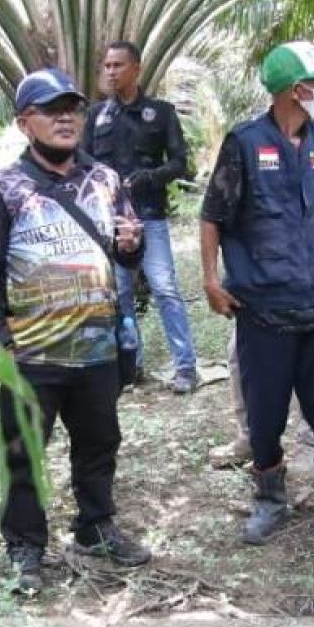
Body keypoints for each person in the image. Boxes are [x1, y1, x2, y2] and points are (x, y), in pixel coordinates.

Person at [0, 67, 152, 595]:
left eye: (72, 107)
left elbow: (126, 250)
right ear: (25, 123)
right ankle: (25, 547)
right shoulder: (0, 190)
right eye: (51, 110)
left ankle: (95, 527)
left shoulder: (107, 180)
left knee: (99, 445)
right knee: (24, 453)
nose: (66, 117)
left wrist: (132, 244)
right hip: (32, 356)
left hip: (96, 349)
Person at [200, 41, 314, 546]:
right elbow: (213, 216)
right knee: (265, 414)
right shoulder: (245, 143)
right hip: (264, 312)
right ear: (296, 90)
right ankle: (270, 498)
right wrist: (210, 279)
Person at [82, 41, 198, 393]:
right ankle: (132, 367)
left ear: (137, 68)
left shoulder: (161, 112)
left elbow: (181, 162)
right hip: (110, 221)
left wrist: (151, 177)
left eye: (118, 65)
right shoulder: (96, 115)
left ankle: (186, 367)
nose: (111, 72)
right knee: (121, 293)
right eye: (107, 66)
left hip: (150, 215)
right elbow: (83, 163)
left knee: (164, 289)